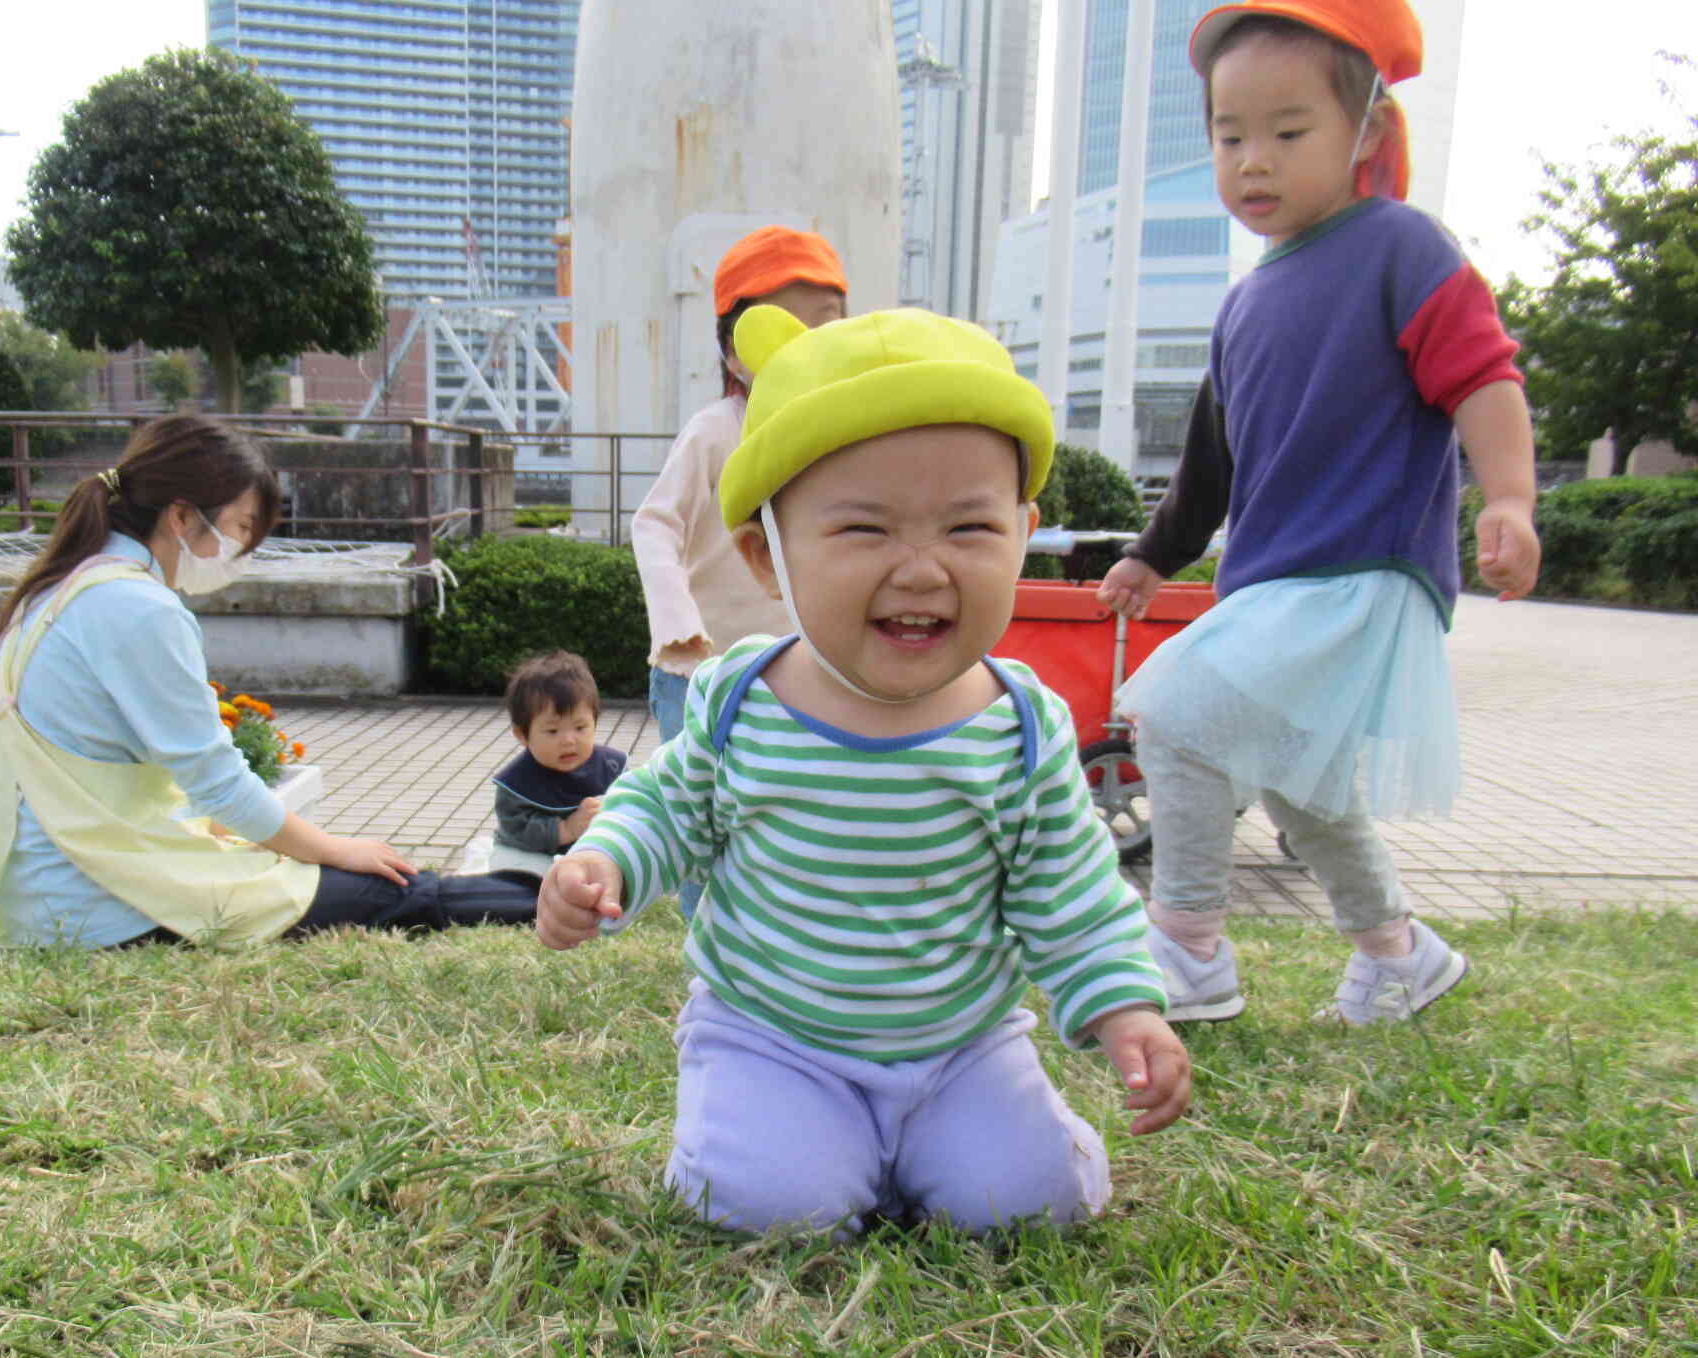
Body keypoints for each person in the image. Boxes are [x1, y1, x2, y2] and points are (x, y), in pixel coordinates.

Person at [539, 306, 1192, 1237]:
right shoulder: (741, 699)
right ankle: (785, 1141)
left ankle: (1000, 1142)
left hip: (962, 1048)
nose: (923, 570)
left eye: (969, 527)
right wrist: (604, 864)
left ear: (1023, 529)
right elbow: (665, 808)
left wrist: (1126, 1006)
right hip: (774, 1038)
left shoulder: (1020, 730)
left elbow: (1070, 888)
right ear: (769, 555)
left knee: (1023, 1207)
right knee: (766, 1208)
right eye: (864, 531)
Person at [1095, 0, 1540, 1026]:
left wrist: (1508, 497)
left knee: (1173, 709)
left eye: (1287, 133)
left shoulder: (1398, 247)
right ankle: (1397, 953)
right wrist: (1151, 557)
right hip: (1277, 580)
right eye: (1228, 135)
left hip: (1360, 571)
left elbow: (1482, 374)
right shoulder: (1244, 301)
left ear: (1365, 135)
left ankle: (1187, 946)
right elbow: (1208, 464)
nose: (1253, 161)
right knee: (1302, 787)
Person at [0, 413, 537, 948]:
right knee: (389, 892)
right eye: (239, 528)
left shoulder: (56, 590)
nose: (240, 552)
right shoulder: (136, 607)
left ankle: (558, 888)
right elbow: (219, 785)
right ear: (181, 516)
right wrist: (336, 849)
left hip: (47, 894)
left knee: (337, 873)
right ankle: (576, 899)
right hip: (110, 900)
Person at [630, 225, 849, 916]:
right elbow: (654, 524)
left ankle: (788, 936)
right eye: (778, 327)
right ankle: (712, 955)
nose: (804, 345)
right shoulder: (717, 430)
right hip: (704, 670)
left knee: (799, 813)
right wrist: (677, 630)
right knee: (701, 814)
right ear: (732, 348)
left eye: (826, 326)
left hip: (806, 671)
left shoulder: (840, 433)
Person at [486, 650, 628, 884]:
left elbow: (633, 807)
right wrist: (566, 829)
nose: (569, 740)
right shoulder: (516, 781)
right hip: (530, 852)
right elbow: (516, 826)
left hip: (592, 852)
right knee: (515, 874)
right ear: (522, 734)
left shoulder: (612, 766)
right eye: (552, 731)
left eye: (580, 727)